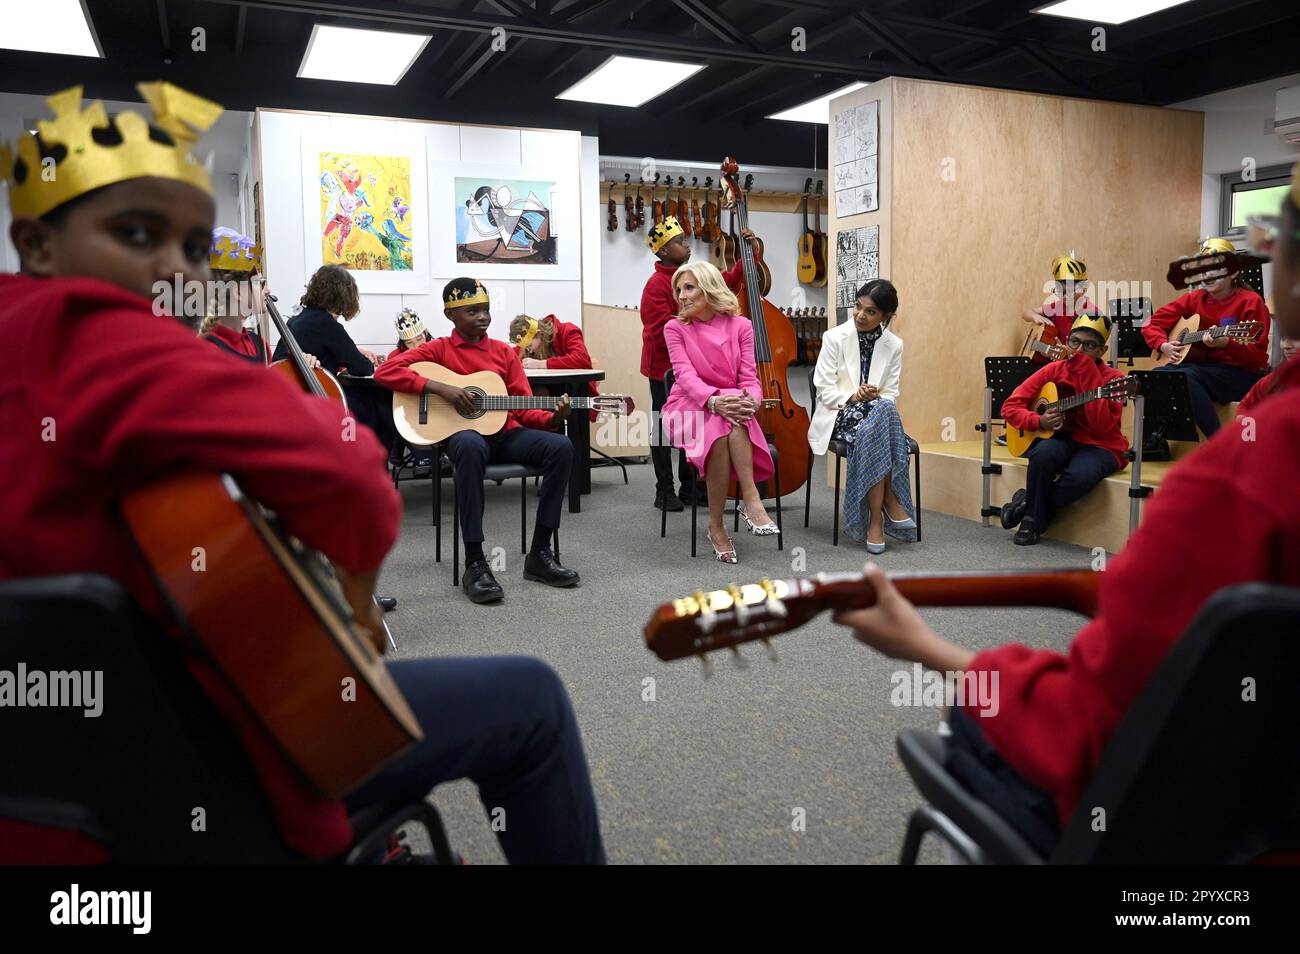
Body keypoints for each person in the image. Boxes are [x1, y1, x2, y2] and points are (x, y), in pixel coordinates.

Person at [0, 82, 604, 864]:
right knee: (534, 699)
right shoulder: (118, 345)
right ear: (38, 243)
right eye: (136, 231)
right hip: (228, 770)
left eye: (190, 248)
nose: (175, 269)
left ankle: (536, 550)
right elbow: (359, 487)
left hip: (62, 801)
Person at [832, 170, 1300, 857]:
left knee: (1063, 467)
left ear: (1282, 275)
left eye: (1086, 341)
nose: (1077, 347)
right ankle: (1014, 515)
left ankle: (980, 511)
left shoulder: (1237, 479)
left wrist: (931, 650)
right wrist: (1045, 409)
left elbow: (1091, 718)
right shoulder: (1219, 403)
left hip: (1178, 842)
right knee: (1048, 457)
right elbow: (1019, 404)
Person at [375, 278, 580, 603]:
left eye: (485, 310)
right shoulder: (438, 349)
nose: (483, 317)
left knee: (562, 447)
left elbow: (525, 409)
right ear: (451, 315)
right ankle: (475, 561)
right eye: (473, 312)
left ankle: (539, 553)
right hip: (466, 440)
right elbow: (384, 373)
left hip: (506, 435)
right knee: (468, 444)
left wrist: (553, 419)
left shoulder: (503, 352)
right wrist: (441, 388)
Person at [661, 261, 777, 563]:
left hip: (730, 405)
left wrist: (751, 400)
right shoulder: (674, 328)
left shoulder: (742, 326)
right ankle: (750, 500)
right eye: (678, 289)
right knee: (725, 419)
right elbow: (685, 377)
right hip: (689, 404)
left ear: (709, 287)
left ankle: (717, 524)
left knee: (728, 423)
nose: (681, 296)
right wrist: (714, 401)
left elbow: (749, 377)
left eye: (689, 287)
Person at [640, 215, 749, 511]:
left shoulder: (693, 275)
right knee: (663, 426)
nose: (686, 245)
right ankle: (664, 489)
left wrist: (746, 259)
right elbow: (659, 329)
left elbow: (721, 284)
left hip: (694, 366)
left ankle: (690, 486)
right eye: (679, 242)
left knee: (698, 421)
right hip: (664, 368)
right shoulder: (654, 286)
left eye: (685, 239)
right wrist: (694, 332)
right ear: (663, 251)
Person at [998, 314, 1130, 546]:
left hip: (1101, 445)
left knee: (1081, 477)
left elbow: (1101, 427)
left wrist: (1088, 372)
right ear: (1067, 340)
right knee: (1043, 454)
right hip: (1062, 437)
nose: (1080, 350)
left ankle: (1030, 511)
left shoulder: (1114, 379)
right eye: (1075, 342)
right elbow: (1010, 406)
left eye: (1089, 345)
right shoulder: (1054, 369)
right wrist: (1038, 422)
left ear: (1102, 350)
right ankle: (1032, 516)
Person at [808, 279, 914, 553]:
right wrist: (854, 396)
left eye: (870, 311)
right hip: (839, 414)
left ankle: (875, 521)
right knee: (884, 415)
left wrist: (874, 397)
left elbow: (891, 392)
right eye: (858, 307)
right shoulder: (834, 337)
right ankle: (889, 504)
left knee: (882, 412)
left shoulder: (894, 345)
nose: (860, 315)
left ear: (886, 316)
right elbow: (824, 389)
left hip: (873, 421)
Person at [1142, 237, 1272, 446]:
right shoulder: (1193, 299)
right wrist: (1162, 344)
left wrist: (1226, 344)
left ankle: (1219, 444)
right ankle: (1156, 442)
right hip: (1204, 371)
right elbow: (1151, 323)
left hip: (1241, 375)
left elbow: (1256, 356)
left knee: (1185, 376)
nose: (1207, 274)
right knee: (1158, 376)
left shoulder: (1251, 301)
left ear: (1234, 272)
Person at [509, 312, 601, 418]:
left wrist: (541, 364)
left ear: (539, 333)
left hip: (573, 393)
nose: (530, 350)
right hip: (549, 397)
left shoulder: (568, 331)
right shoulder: (529, 345)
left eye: (529, 346)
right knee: (538, 393)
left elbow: (581, 358)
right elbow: (509, 356)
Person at [199, 226, 269, 363]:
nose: (267, 290)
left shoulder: (259, 345)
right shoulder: (207, 352)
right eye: (260, 283)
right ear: (237, 291)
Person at [1021, 252, 1099, 341]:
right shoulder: (1057, 307)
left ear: (1084, 288)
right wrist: (1036, 317)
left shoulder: (1092, 314)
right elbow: (1026, 314)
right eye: (1061, 291)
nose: (1065, 296)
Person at [1237, 332, 1297, 415]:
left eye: (1296, 338)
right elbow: (1245, 405)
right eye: (1283, 338)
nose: (1285, 346)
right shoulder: (1274, 380)